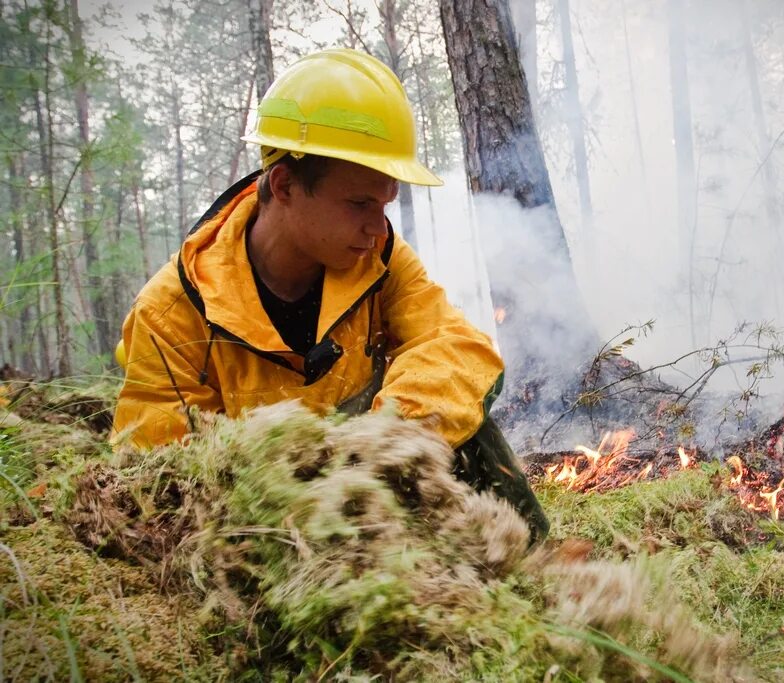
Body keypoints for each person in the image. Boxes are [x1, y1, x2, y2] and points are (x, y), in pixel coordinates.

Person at [112, 49, 547, 539]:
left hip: (374, 491)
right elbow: (159, 475)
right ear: (284, 185)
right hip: (267, 528)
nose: (377, 227)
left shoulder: (379, 258)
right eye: (359, 202)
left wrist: (381, 442)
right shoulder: (172, 311)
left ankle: (524, 559)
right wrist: (304, 484)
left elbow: (458, 348)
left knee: (456, 411)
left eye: (384, 204)